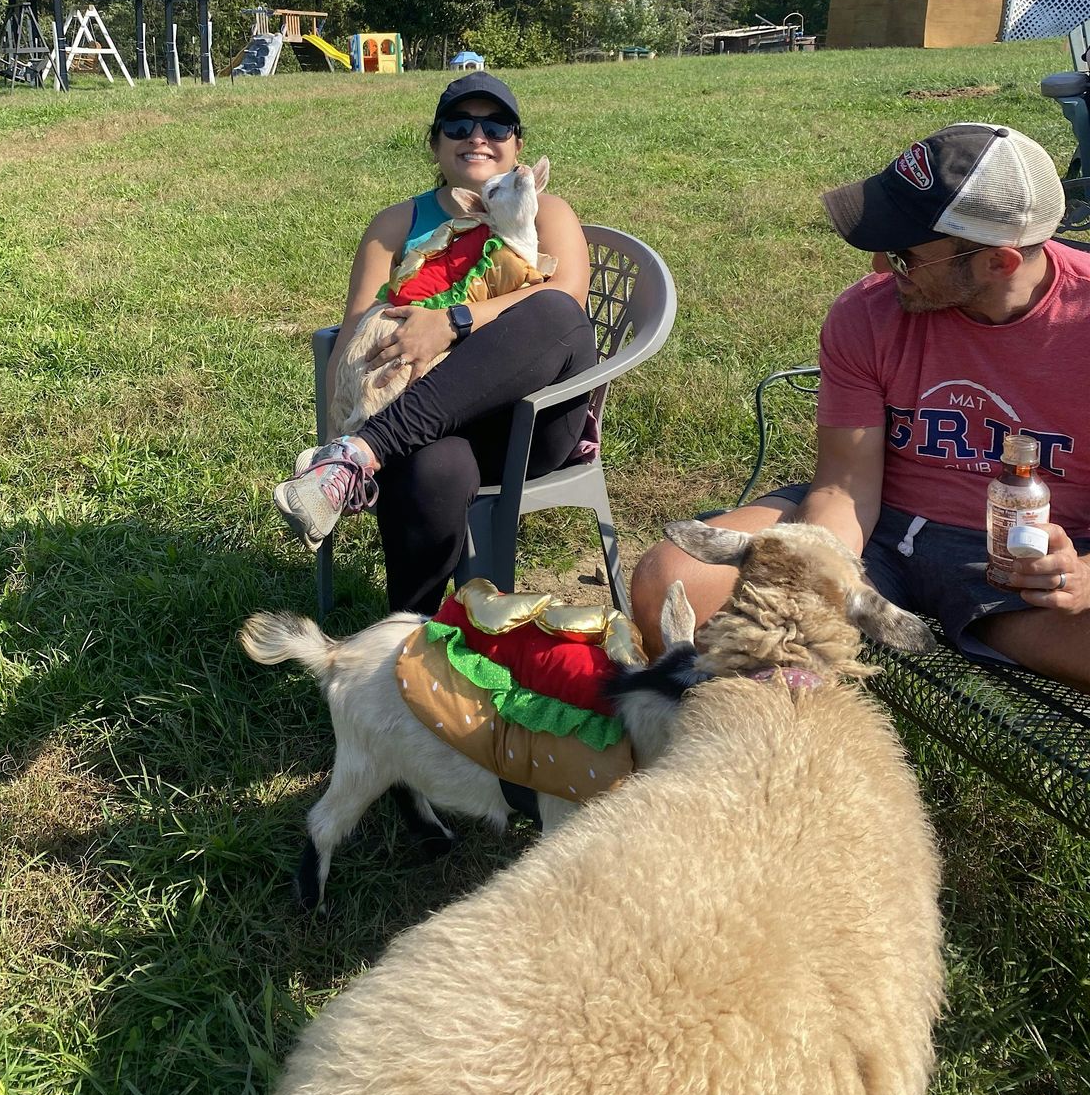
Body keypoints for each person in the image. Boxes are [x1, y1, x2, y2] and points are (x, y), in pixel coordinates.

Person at [632, 122, 1090, 692]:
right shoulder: (868, 313)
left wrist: (1083, 578)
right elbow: (846, 486)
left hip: (1020, 567)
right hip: (875, 531)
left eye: (905, 254)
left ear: (998, 263)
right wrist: (818, 583)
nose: (878, 265)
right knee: (670, 580)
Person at [274, 73, 596, 616]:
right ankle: (411, 632)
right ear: (435, 142)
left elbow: (566, 305)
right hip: (423, 425)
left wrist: (454, 321)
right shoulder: (396, 224)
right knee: (433, 471)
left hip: (528, 425)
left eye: (495, 125)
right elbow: (352, 333)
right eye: (458, 124)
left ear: (518, 145)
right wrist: (335, 427)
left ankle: (359, 456)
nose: (477, 136)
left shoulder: (549, 210)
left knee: (554, 309)